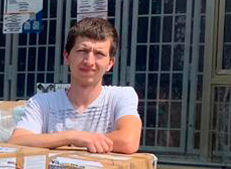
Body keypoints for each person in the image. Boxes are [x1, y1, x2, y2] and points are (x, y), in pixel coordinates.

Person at [9, 17, 141, 154]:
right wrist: (74, 136)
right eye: (83, 51)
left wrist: (62, 142)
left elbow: (128, 141)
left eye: (99, 54)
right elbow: (17, 140)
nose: (89, 61)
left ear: (110, 63)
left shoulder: (121, 96)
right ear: (67, 57)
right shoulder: (42, 103)